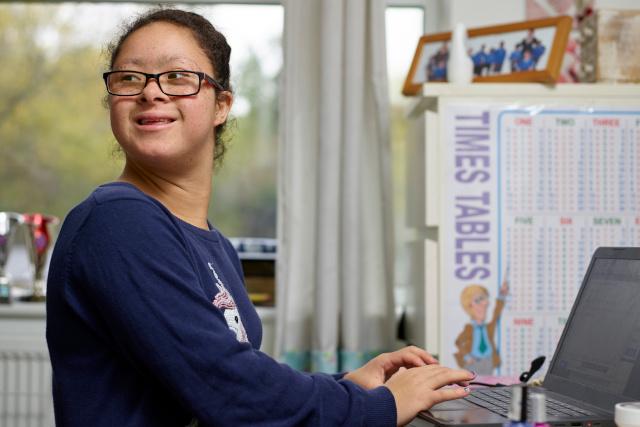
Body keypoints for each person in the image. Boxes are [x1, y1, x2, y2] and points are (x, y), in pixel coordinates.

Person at [46, 8, 474, 427]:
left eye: (177, 76)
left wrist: (348, 385)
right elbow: (232, 394)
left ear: (221, 105)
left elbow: (233, 374)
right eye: (129, 78)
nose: (151, 92)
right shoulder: (118, 222)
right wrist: (378, 407)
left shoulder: (212, 244)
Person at [454, 280, 509, 375]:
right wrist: (467, 356)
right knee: (474, 382)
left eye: (484, 299)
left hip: (488, 361)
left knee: (487, 383)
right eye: (478, 300)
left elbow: (496, 313)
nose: (484, 304)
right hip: (474, 363)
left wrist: (502, 295)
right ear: (469, 305)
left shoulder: (488, 328)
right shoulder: (469, 329)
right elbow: (458, 342)